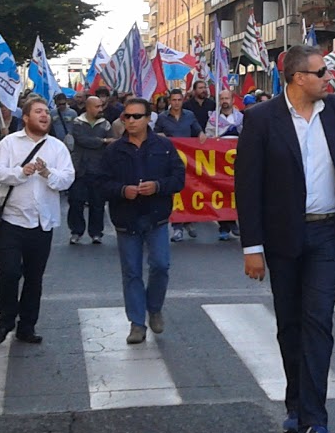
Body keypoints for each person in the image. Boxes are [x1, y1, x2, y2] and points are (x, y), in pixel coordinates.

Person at [234, 44, 335, 433]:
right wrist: (252, 247)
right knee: (290, 324)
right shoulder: (262, 119)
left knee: (318, 322)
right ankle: (296, 402)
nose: (329, 78)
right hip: (283, 236)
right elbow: (248, 186)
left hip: (328, 233)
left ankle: (314, 422)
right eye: (322, 72)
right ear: (298, 78)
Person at [0, 96, 75, 346]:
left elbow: (68, 178)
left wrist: (47, 173)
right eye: (38, 111)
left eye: (46, 111)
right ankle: (5, 322)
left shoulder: (57, 147)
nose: (44, 115)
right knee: (10, 273)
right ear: (26, 117)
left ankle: (27, 326)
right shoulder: (9, 143)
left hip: (42, 223)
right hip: (12, 221)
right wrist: (20, 172)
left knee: (34, 278)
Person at [104, 96, 185, 343]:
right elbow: (99, 183)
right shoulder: (113, 150)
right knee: (132, 273)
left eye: (136, 116)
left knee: (160, 266)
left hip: (156, 217)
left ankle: (154, 307)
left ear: (148, 118)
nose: (130, 121)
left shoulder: (164, 146)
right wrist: (122, 190)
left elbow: (179, 179)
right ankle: (137, 323)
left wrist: (158, 186)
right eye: (126, 116)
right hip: (126, 219)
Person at [67, 94, 114, 245]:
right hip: (80, 170)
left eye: (101, 106)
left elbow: (111, 141)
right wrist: (102, 141)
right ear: (88, 108)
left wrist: (104, 142)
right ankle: (76, 231)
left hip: (98, 169)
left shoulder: (105, 124)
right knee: (76, 202)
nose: (101, 109)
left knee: (97, 203)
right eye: (97, 106)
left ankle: (96, 233)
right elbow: (82, 140)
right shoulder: (77, 123)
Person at [156, 90, 202, 241]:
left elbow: (197, 129)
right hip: (170, 159)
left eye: (179, 100)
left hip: (188, 159)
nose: (176, 103)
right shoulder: (162, 117)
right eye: (174, 100)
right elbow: (155, 134)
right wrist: (160, 135)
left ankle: (189, 221)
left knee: (188, 189)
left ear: (183, 101)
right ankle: (177, 227)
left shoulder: (189, 115)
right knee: (174, 191)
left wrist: (201, 135)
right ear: (169, 101)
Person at [204, 90, 244, 241]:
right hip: (219, 160)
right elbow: (208, 135)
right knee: (220, 190)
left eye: (227, 98)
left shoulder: (241, 118)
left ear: (232, 100)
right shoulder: (213, 119)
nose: (224, 101)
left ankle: (233, 220)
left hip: (236, 160)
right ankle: (224, 225)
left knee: (234, 190)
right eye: (222, 98)